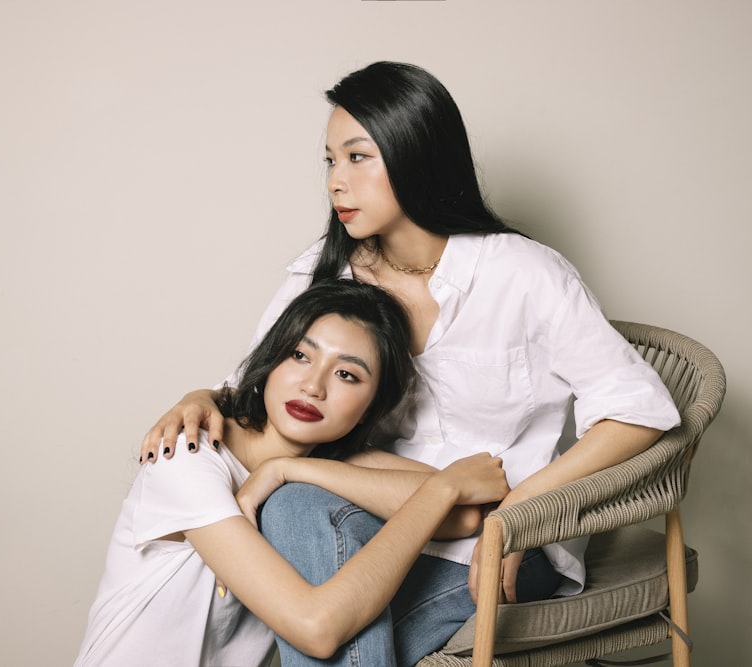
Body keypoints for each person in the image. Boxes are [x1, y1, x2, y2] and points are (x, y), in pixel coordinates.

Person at [140, 61, 682, 665]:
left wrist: (521, 517)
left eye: (357, 157)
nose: (335, 184)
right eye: (329, 161)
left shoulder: (522, 274)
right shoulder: (324, 269)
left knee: (329, 630)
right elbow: (260, 387)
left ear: (414, 154)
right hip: (357, 515)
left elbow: (639, 411)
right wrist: (198, 397)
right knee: (296, 522)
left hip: (488, 537)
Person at [75, 279, 510, 667]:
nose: (313, 385)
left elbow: (467, 513)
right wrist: (443, 488)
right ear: (272, 362)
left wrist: (289, 468)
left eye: (347, 374)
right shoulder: (188, 455)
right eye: (300, 355)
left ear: (369, 411)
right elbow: (316, 630)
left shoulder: (330, 462)